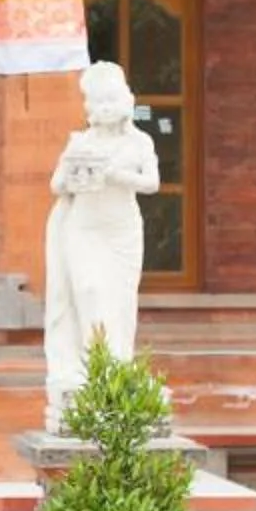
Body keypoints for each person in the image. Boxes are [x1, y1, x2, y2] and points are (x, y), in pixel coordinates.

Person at [43, 60, 160, 422]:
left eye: (111, 99)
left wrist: (114, 173)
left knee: (120, 304)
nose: (105, 107)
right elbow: (56, 184)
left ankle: (117, 372)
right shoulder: (81, 142)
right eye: (98, 100)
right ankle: (90, 373)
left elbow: (152, 183)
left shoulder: (141, 141)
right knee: (89, 294)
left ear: (125, 100)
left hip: (121, 230)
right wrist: (75, 177)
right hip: (85, 228)